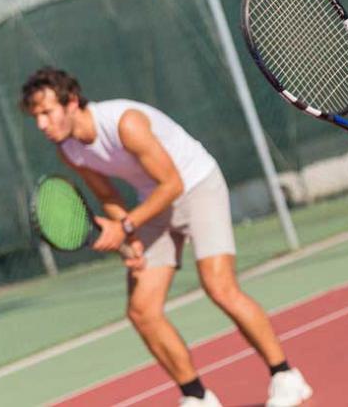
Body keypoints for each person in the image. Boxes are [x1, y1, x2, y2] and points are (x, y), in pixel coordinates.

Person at [21, 67, 312, 407]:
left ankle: (286, 376)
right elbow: (109, 197)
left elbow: (172, 183)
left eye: (46, 112)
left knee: (219, 287)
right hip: (153, 203)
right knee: (142, 311)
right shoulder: (69, 150)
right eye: (35, 117)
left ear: (71, 102)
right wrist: (126, 240)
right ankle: (198, 397)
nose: (41, 124)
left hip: (197, 185)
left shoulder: (124, 123)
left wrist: (125, 227)